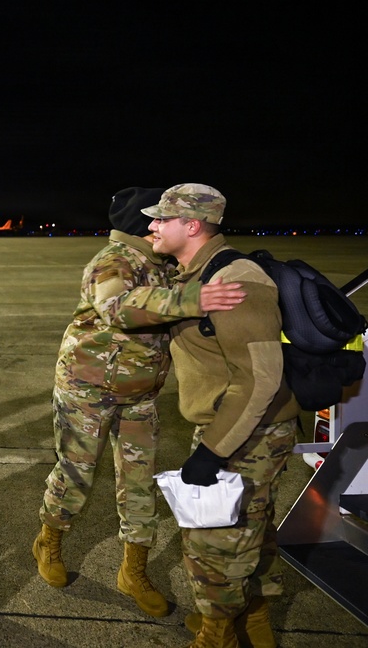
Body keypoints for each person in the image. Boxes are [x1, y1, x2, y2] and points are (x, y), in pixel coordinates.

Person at [34, 187, 247, 618]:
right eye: (150, 219)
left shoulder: (160, 265)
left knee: (139, 482)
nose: (156, 225)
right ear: (136, 225)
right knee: (76, 474)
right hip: (87, 394)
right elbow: (119, 308)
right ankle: (49, 541)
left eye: (162, 218)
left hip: (140, 396)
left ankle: (133, 569)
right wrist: (192, 300)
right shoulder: (114, 261)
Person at [141, 184, 299, 648]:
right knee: (251, 533)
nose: (151, 226)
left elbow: (260, 378)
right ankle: (254, 624)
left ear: (191, 225)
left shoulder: (235, 279)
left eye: (161, 219)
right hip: (239, 428)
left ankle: (217, 636)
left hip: (246, 433)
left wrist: (212, 452)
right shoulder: (196, 272)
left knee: (215, 547)